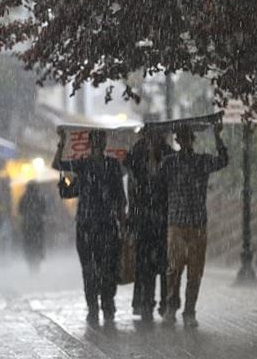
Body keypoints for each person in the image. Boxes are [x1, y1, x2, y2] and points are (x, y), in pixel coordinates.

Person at [53, 129, 126, 325]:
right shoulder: (83, 165)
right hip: (87, 226)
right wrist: (62, 142)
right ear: (91, 144)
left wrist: (123, 221)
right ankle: (94, 307)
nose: (98, 145)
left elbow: (120, 197)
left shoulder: (112, 166)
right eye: (96, 141)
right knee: (90, 269)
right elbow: (57, 165)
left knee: (107, 268)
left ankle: (107, 305)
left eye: (100, 141)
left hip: (107, 225)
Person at [159, 122, 228, 327]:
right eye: (181, 138)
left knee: (195, 271)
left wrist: (218, 137)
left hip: (197, 223)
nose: (185, 141)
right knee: (174, 268)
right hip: (177, 223)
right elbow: (155, 180)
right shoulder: (169, 162)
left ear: (192, 140)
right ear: (178, 141)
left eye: (188, 137)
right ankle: (172, 306)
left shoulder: (201, 161)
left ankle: (190, 311)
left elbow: (223, 160)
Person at [124, 128, 176, 322]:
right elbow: (131, 179)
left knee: (163, 264)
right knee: (145, 264)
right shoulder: (137, 153)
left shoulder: (167, 154)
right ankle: (146, 303)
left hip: (161, 218)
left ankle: (164, 303)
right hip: (144, 218)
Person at [18, 181, 47, 270]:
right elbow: (44, 210)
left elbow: (20, 211)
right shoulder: (40, 197)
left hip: (27, 225)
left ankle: (30, 261)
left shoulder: (24, 198)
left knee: (28, 244)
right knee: (38, 243)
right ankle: (37, 261)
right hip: (38, 225)